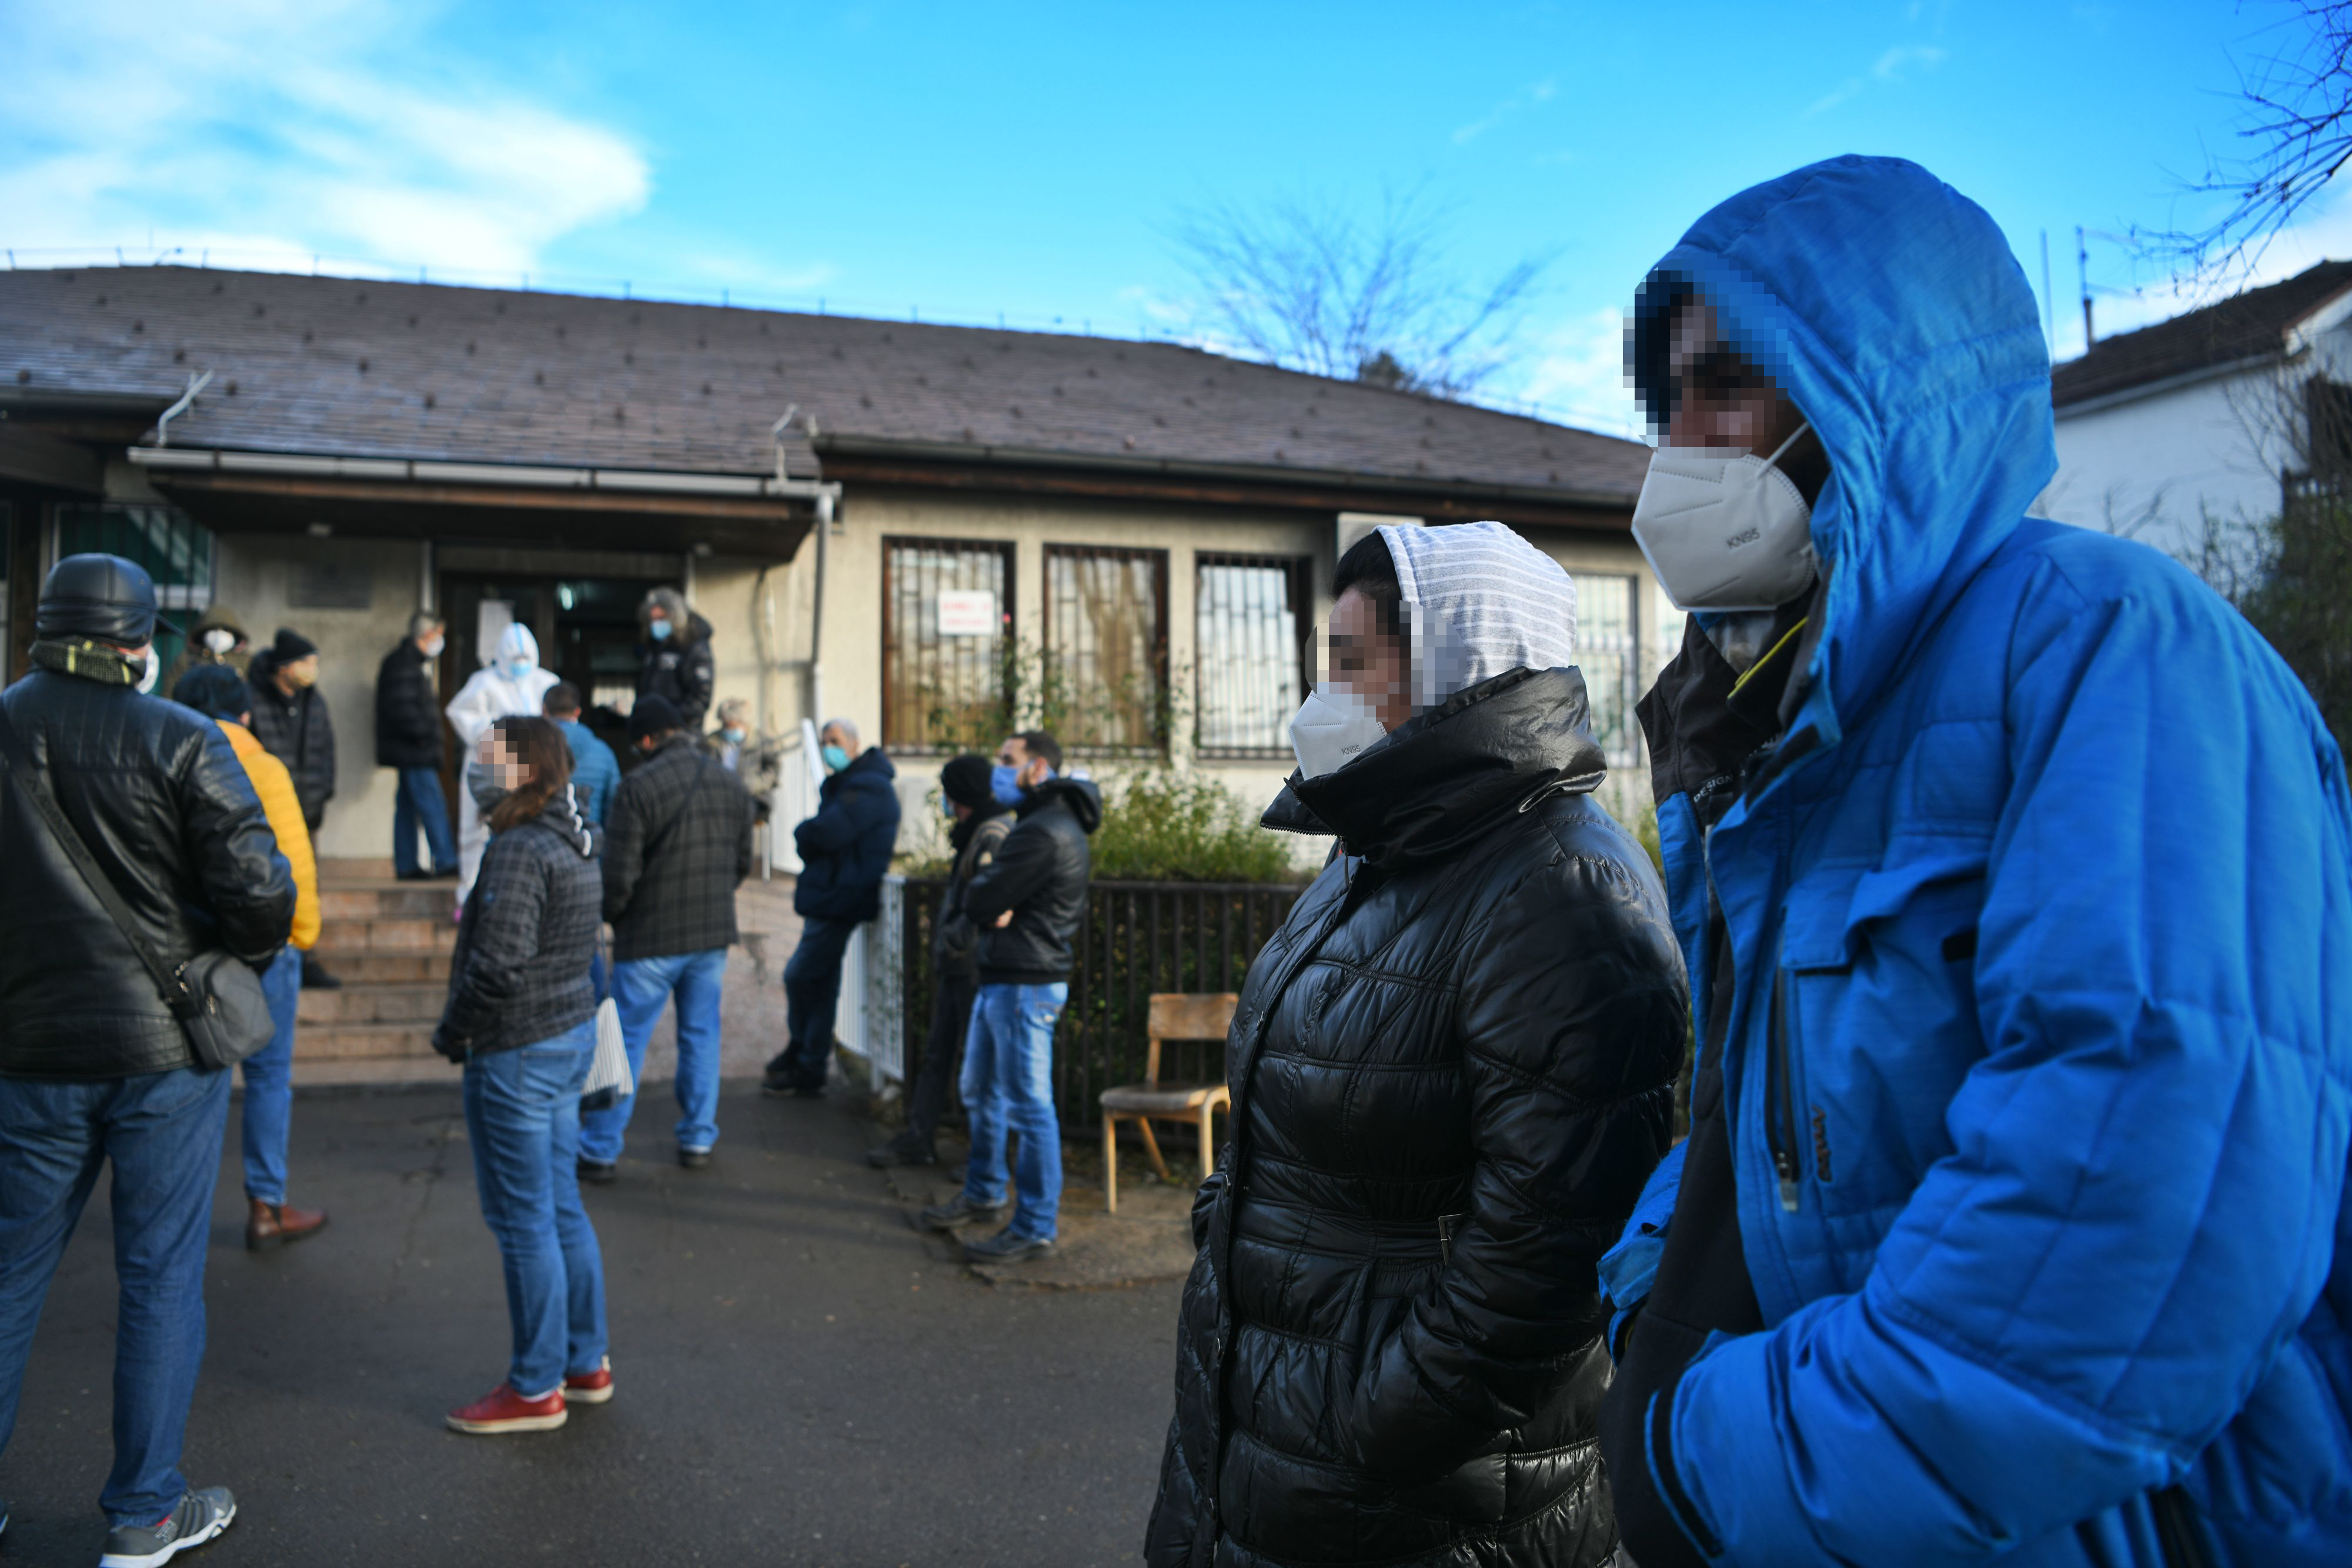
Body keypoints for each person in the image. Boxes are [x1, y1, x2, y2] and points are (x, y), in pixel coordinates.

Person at [1588, 156, 2352, 1568]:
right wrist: (1646, 1312)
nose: (1677, 445)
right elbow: (1755, 1127)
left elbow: (2129, 1203)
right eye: (1663, 402)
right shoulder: (1775, 729)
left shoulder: (2108, 649)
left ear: (1878, 392)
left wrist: (1716, 1450)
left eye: (1728, 384)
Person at [1142, 525, 1685, 1568]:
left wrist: (1376, 1429)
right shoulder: (1380, 851)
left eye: (1353, 662)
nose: (1325, 692)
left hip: (1412, 1499)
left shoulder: (1560, 891)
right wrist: (1230, 1228)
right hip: (1268, 1441)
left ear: (1452, 668)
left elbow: (1549, 1252)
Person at [0, 554, 293, 1566]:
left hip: (26, 1046)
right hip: (166, 1050)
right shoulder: (185, 737)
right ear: (141, 641)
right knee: (161, 1276)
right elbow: (265, 897)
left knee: (7, 1275)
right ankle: (143, 1512)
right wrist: (218, 958)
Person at [433, 716, 612, 1436]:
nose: (474, 769)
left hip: (518, 1050)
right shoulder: (574, 838)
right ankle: (584, 1362)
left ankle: (536, 1387)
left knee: (523, 1221)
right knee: (560, 1208)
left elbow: (497, 966)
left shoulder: (518, 849)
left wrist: (454, 1032)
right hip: (564, 1038)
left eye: (487, 759)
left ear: (521, 770)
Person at [917, 730, 1100, 1263]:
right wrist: (994, 899)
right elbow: (990, 898)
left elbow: (981, 897)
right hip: (1008, 976)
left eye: (1006, 760)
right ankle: (984, 1190)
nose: (997, 770)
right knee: (981, 1089)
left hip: (1025, 983)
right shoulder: (1042, 824)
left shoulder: (1042, 832)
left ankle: (1036, 1224)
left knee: (1028, 1105)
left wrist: (993, 898)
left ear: (1037, 769)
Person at [171, 665, 329, 1253]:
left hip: (186, 947)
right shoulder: (263, 767)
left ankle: (178, 1211)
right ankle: (265, 1206)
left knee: (196, 1074)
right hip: (268, 945)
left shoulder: (165, 758)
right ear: (244, 715)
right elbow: (294, 860)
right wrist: (302, 934)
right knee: (267, 1077)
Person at [578, 696, 755, 1181]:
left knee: (625, 1041)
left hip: (650, 938)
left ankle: (600, 1148)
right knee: (701, 1037)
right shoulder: (730, 782)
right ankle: (698, 1136)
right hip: (711, 935)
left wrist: (612, 916)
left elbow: (619, 874)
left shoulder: (639, 787)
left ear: (649, 739)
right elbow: (742, 861)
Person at [868, 755, 1014, 1169]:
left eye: (949, 793)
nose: (946, 802)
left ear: (959, 794)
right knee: (941, 1054)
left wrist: (955, 937)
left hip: (971, 964)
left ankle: (985, 1164)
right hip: (960, 963)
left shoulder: (993, 832)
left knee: (977, 1067)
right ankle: (923, 1138)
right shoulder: (981, 829)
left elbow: (990, 900)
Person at [761, 719, 900, 1097]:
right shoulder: (852, 785)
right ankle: (808, 1059)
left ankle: (804, 1053)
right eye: (825, 743)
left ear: (855, 744)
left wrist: (804, 834)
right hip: (835, 894)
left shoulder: (867, 787)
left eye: (835, 742)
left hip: (841, 897)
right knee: (820, 985)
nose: (828, 749)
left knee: (801, 976)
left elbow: (825, 832)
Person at [246, 628, 339, 991]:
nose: (312, 670)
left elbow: (326, 751)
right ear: (285, 667)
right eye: (307, 662)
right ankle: (271, 954)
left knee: (306, 884)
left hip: (307, 812)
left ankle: (305, 957)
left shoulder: (315, 702)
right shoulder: (255, 700)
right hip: (265, 813)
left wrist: (322, 794)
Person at [445, 623, 560, 907]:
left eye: (525, 659)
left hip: (533, 766)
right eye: (515, 659)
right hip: (493, 762)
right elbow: (460, 713)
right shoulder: (484, 682)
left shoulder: (546, 682)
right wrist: (495, 730)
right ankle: (470, 895)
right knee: (477, 829)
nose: (520, 665)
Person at [376, 610, 457, 881]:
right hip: (414, 751)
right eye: (439, 636)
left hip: (410, 750)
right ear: (427, 635)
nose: (440, 642)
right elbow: (403, 709)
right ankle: (445, 861)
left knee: (407, 808)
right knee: (431, 804)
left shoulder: (406, 663)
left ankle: (407, 864)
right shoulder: (404, 665)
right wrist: (424, 737)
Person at [635, 587, 713, 733]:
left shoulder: (695, 644)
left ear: (674, 617)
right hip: (656, 730)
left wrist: (672, 720)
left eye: (661, 619)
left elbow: (700, 699)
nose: (656, 625)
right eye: (652, 620)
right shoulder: (655, 647)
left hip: (682, 732)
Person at [543, 682, 619, 828]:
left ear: (544, 710)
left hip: (540, 841)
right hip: (589, 839)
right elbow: (614, 805)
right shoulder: (603, 752)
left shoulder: (530, 748)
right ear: (577, 712)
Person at [701, 696, 782, 823]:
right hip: (720, 797)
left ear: (742, 723)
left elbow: (773, 770)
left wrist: (754, 784)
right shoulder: (711, 743)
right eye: (725, 725)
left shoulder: (761, 742)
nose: (727, 729)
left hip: (752, 796)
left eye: (731, 725)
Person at [161, 601, 250, 695]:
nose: (219, 635)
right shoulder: (187, 660)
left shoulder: (246, 661)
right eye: (213, 630)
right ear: (203, 633)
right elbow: (170, 691)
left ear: (235, 635)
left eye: (225, 630)